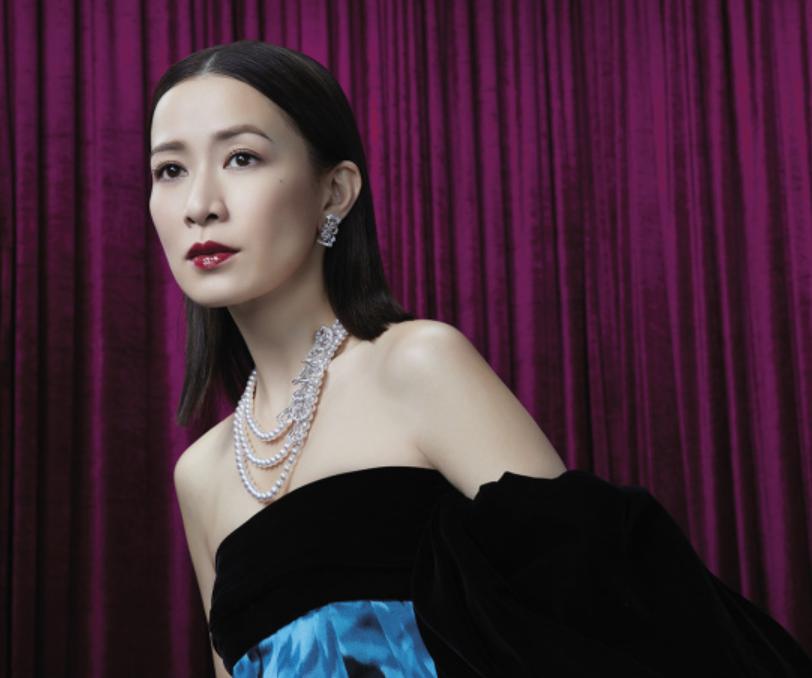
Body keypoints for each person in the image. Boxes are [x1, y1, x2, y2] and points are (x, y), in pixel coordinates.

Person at [148, 40, 812, 677]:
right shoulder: (201, 476)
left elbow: (602, 610)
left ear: (335, 191)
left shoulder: (418, 365)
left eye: (241, 158)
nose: (200, 206)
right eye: (170, 170)